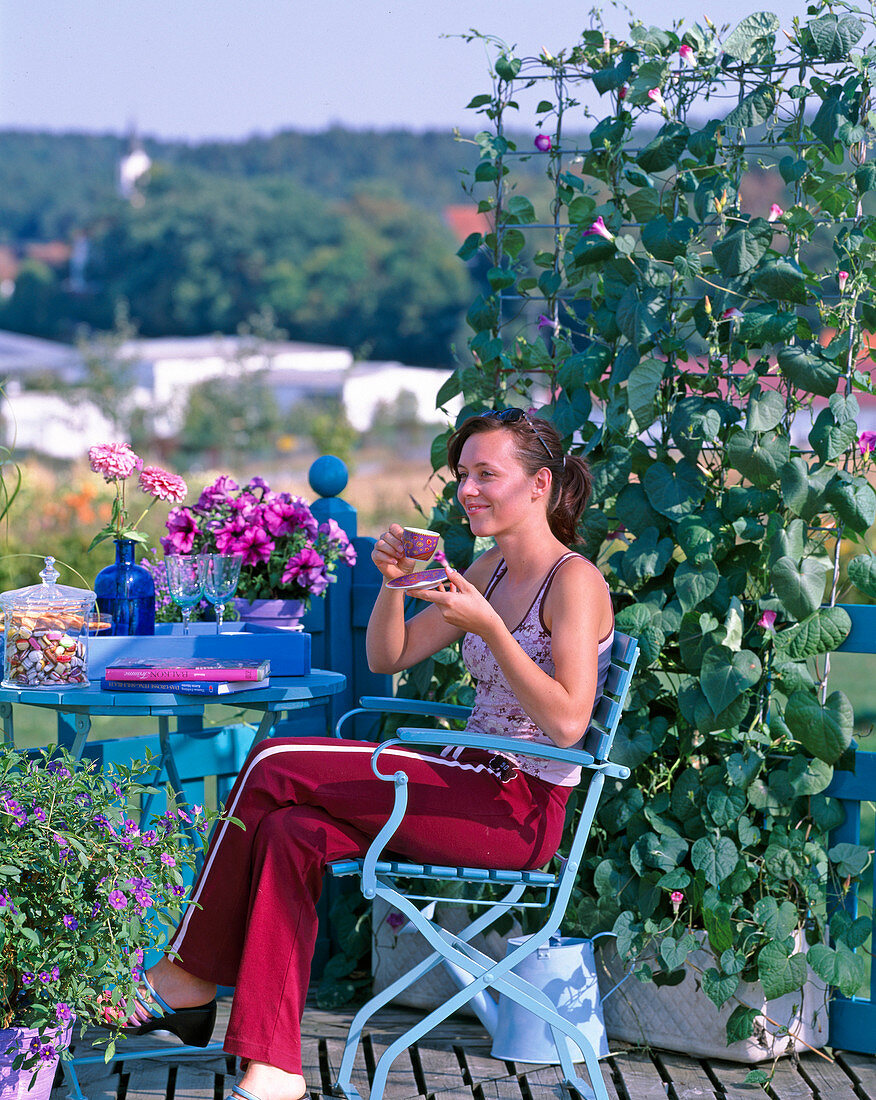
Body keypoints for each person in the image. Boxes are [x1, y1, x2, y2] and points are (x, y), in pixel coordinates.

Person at [105, 409, 614, 1100]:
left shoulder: (573, 581)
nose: (468, 489)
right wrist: (393, 584)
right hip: (461, 783)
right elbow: (390, 654)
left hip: (514, 808)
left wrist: (492, 631)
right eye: (463, 474)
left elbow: (568, 724)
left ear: (539, 484)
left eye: (487, 474)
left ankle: (188, 973)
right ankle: (275, 1066)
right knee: (289, 830)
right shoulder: (490, 569)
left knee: (274, 759)